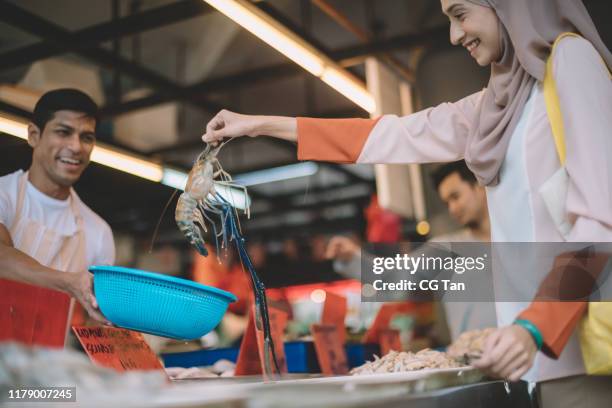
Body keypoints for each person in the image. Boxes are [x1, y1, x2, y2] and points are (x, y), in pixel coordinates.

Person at [203, 0, 612, 404]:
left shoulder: (571, 63)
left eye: (461, 14)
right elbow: (392, 134)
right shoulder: (496, 104)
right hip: (528, 366)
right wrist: (260, 125)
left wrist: (534, 327)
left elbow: (600, 225)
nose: (454, 35)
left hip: (575, 362)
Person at [326, 161, 496, 341]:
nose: (452, 209)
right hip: (476, 362)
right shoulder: (445, 250)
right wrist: (352, 258)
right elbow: (393, 276)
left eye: (456, 197)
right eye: (447, 203)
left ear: (479, 187)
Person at [0, 89, 115, 348]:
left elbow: (98, 323)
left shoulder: (98, 231)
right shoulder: (4, 195)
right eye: (63, 132)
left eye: (86, 137)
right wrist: (69, 282)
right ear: (34, 135)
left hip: (49, 374)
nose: (75, 147)